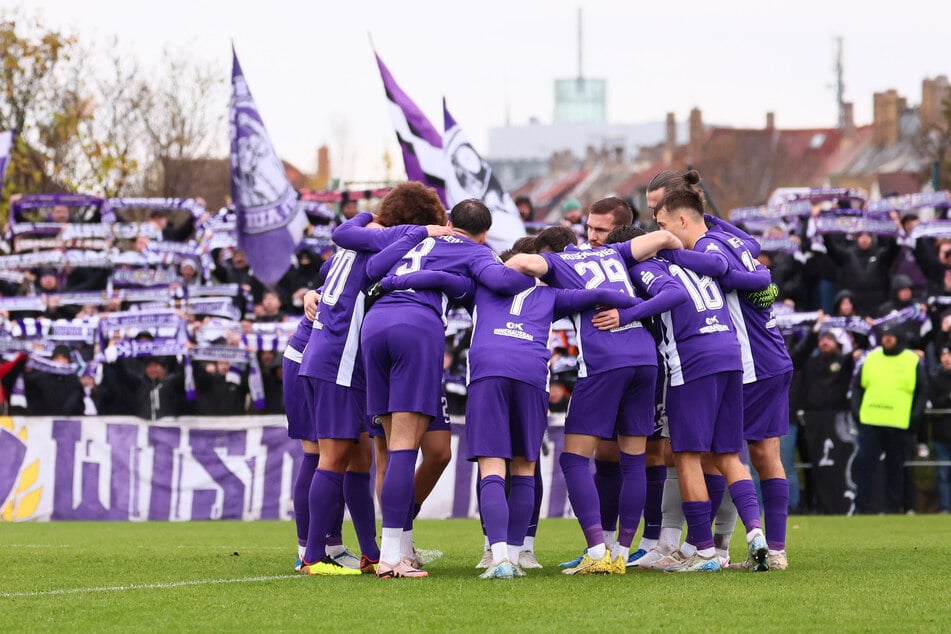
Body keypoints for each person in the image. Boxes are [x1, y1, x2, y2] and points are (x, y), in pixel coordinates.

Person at [362, 198, 534, 578]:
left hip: (374, 325)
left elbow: (371, 269)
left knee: (398, 446)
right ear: (485, 233)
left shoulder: (417, 237)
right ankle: (392, 557)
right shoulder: (476, 250)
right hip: (417, 327)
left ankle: (398, 548)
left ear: (449, 220)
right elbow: (504, 281)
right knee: (403, 446)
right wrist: (541, 269)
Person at [505, 202, 680, 575]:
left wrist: (503, 277)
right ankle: (620, 552)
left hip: (604, 361)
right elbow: (666, 236)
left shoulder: (560, 263)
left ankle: (597, 551)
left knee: (573, 458)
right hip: (645, 359)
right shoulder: (615, 252)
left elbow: (522, 263)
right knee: (633, 459)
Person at [296, 183, 452, 578]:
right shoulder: (385, 244)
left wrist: (313, 292)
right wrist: (421, 234)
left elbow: (335, 260)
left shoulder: (354, 244)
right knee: (330, 457)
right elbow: (364, 257)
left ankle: (369, 550)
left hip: (323, 356)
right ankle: (313, 556)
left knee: (360, 457)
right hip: (338, 361)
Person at [650, 185, 772, 572]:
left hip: (694, 359)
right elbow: (748, 265)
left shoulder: (683, 255)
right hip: (730, 354)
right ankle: (755, 534)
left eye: (662, 222)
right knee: (726, 454)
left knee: (686, 456)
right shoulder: (710, 249)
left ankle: (704, 552)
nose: (660, 229)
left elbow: (720, 269)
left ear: (681, 220)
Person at [851, 324, 927, 514]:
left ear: (900, 337)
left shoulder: (912, 360)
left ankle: (894, 509)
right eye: (884, 335)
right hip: (871, 422)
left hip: (898, 424)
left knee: (896, 469)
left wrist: (913, 419)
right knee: (864, 465)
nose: (887, 338)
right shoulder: (872, 358)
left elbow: (922, 392)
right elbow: (858, 388)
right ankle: (862, 508)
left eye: (891, 335)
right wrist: (857, 413)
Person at [926, 346, 951, 513]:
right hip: (941, 433)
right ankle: (944, 508)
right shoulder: (935, 378)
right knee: (942, 474)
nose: (946, 358)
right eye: (943, 355)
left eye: (949, 355)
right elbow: (932, 403)